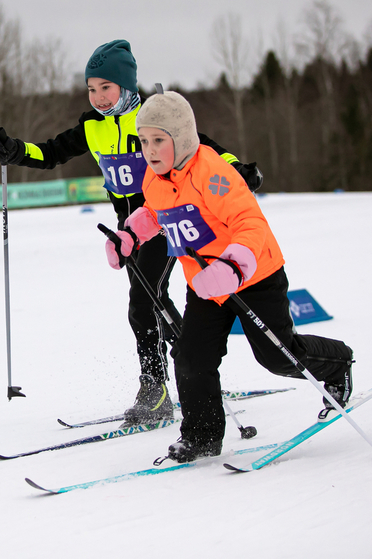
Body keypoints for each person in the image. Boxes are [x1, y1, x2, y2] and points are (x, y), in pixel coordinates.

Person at [0, 40, 263, 428]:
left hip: (165, 218)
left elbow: (203, 148)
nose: (99, 97)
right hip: (129, 227)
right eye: (92, 88)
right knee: (153, 299)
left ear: (126, 86)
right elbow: (51, 153)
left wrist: (239, 168)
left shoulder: (150, 117)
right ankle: (192, 370)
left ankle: (156, 388)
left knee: (142, 301)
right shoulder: (92, 126)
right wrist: (15, 151)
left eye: (107, 87)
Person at [104, 88, 354, 462]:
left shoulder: (212, 172)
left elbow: (249, 223)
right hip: (205, 284)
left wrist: (233, 266)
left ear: (182, 138)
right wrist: (130, 235)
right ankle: (201, 436)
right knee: (190, 357)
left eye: (159, 140)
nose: (150, 149)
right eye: (144, 141)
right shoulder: (154, 180)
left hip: (255, 275)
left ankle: (338, 363)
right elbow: (155, 214)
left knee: (278, 355)